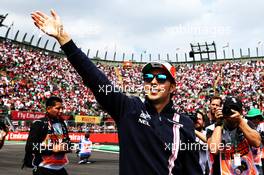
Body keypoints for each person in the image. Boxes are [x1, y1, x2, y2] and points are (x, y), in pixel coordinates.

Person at [31, 10, 203, 174]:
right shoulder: (129, 108)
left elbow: (193, 170)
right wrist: (63, 37)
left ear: (172, 87)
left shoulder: (184, 123)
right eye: (148, 77)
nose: (153, 81)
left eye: (161, 78)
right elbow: (95, 79)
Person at [207, 96, 261, 175]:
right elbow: (214, 149)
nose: (231, 113)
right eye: (229, 109)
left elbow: (257, 143)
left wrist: (239, 120)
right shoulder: (212, 128)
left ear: (241, 112)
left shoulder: (246, 123)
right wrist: (219, 123)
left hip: (248, 171)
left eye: (236, 110)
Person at [23, 96, 71, 175]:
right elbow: (29, 146)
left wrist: (65, 146)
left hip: (60, 168)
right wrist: (52, 149)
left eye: (62, 108)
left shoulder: (62, 123)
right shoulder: (39, 123)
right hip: (43, 169)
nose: (61, 111)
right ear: (48, 109)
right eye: (58, 108)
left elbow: (68, 141)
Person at [245, 108, 264, 175]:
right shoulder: (244, 131)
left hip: (258, 162)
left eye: (258, 118)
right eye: (253, 118)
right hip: (247, 162)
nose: (256, 120)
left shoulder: (260, 129)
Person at [194, 110, 209, 175]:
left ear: (204, 123)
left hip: (203, 172)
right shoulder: (186, 133)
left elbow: (209, 142)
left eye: (199, 119)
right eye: (195, 119)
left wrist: (193, 130)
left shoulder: (207, 133)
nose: (197, 121)